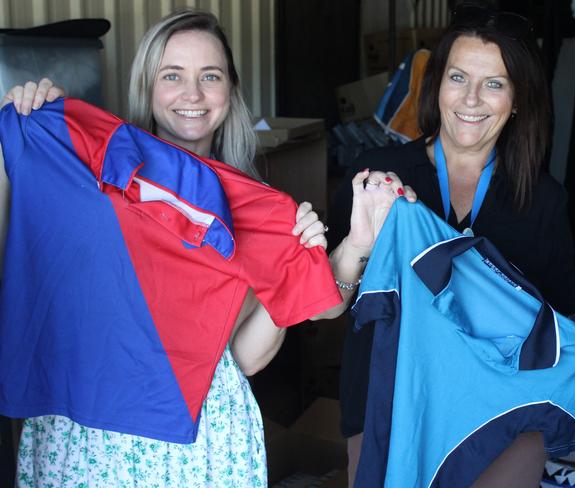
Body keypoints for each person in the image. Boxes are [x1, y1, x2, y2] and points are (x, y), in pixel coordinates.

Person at [0, 10, 416, 487]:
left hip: (198, 438)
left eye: (209, 76)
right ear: (147, 87)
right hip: (88, 430)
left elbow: (245, 359)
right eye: (172, 75)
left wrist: (299, 263)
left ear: (230, 90)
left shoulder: (252, 206)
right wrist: (26, 126)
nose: (192, 95)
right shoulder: (89, 175)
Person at [327, 5, 575, 487]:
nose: (471, 98)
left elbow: (568, 316)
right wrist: (356, 245)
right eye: (458, 77)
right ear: (437, 86)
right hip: (388, 408)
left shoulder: (541, 201)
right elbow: (321, 307)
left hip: (499, 421)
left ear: (517, 99)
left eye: (494, 83)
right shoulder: (379, 176)